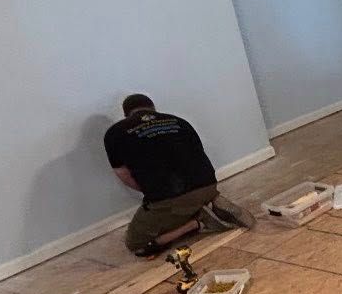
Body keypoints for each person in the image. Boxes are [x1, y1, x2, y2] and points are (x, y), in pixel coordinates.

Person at [104, 94, 253, 256]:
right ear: (153, 109)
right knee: (179, 206)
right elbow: (198, 155)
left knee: (137, 245)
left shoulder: (115, 133)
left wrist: (154, 192)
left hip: (170, 197)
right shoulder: (179, 121)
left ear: (126, 114)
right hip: (208, 185)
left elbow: (124, 175)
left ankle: (197, 222)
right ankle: (207, 201)